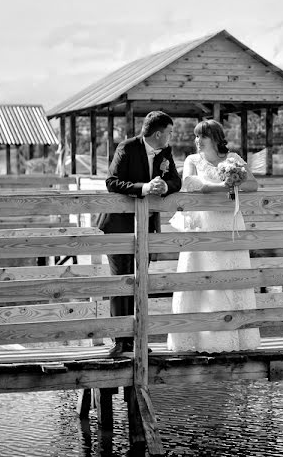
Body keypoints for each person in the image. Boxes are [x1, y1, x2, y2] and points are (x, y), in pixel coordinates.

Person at [166, 119, 261, 353]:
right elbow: (189, 183)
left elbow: (253, 185)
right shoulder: (192, 160)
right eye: (196, 137)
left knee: (231, 277)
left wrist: (234, 180)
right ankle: (195, 340)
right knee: (200, 279)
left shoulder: (233, 159)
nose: (197, 141)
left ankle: (235, 339)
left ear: (215, 138)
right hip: (203, 226)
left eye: (202, 136)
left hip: (229, 224)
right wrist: (221, 187)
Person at [97, 110, 182, 356]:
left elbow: (176, 180)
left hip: (146, 227)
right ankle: (120, 342)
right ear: (158, 133)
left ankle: (137, 339)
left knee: (139, 283)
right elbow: (112, 182)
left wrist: (164, 185)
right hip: (118, 226)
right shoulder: (127, 147)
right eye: (169, 132)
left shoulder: (165, 152)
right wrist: (144, 187)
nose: (171, 137)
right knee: (121, 282)